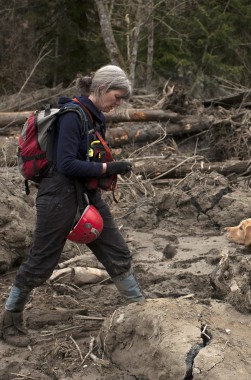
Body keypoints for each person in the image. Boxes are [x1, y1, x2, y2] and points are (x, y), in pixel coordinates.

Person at [0, 65, 146, 347]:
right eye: (117, 96)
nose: (119, 103)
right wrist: (108, 166)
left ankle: (141, 310)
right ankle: (10, 321)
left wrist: (103, 171)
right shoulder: (72, 116)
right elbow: (66, 164)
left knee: (117, 251)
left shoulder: (95, 117)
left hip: (86, 194)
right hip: (58, 195)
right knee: (42, 261)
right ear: (101, 89)